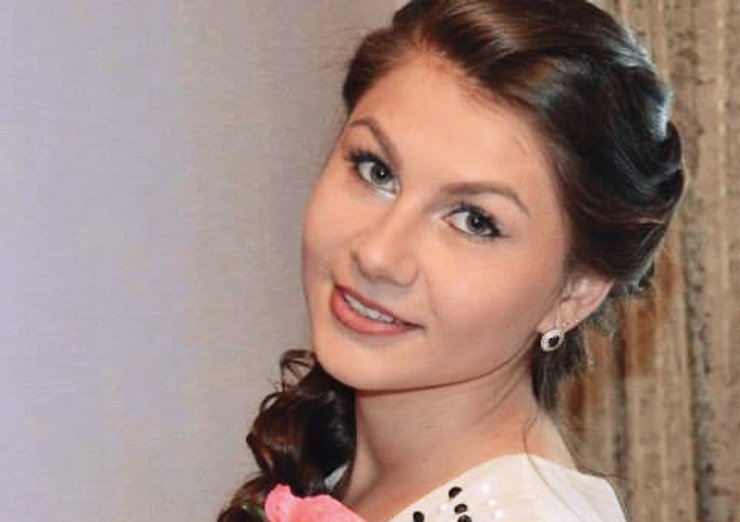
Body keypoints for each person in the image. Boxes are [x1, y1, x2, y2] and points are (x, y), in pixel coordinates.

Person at [218, 0, 685, 520]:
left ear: (574, 293)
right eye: (376, 171)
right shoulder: (350, 470)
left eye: (474, 221)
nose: (377, 254)